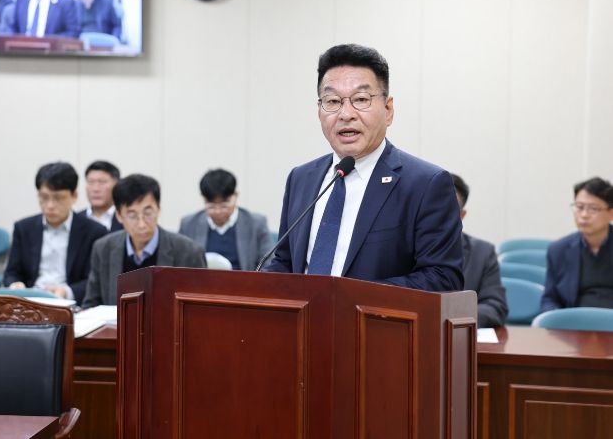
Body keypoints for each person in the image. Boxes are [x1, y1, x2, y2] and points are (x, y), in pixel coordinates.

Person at [265, 44, 463, 291]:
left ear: (388, 110)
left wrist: (351, 299)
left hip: (374, 316)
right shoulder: (301, 178)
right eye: (333, 101)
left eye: (360, 99)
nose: (346, 114)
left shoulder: (426, 184)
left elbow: (442, 278)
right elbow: (284, 262)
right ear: (319, 111)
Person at [83, 174, 206, 307]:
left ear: (158, 210)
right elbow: (91, 304)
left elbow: (199, 309)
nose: (141, 224)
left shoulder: (188, 252)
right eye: (132, 215)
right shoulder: (103, 249)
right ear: (119, 216)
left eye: (148, 213)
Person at [3, 162, 107, 304]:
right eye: (44, 197)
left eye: (58, 198)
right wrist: (15, 284)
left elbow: (95, 280)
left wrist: (66, 291)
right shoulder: (24, 228)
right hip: (30, 301)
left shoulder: (94, 232)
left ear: (74, 196)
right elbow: (11, 273)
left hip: (71, 303)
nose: (50, 205)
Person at [541, 177, 613, 311]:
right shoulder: (558, 250)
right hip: (575, 321)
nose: (584, 215)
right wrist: (558, 318)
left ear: (611, 213)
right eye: (579, 207)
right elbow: (549, 299)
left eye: (593, 209)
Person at [179, 169, 273, 270]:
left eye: (224, 205)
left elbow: (268, 265)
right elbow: (179, 263)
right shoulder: (189, 224)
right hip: (201, 280)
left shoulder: (256, 224)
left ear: (236, 195)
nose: (218, 211)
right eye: (211, 205)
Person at [452, 173, 508, 327]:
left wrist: (452, 318)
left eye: (449, 208)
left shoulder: (482, 253)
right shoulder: (403, 247)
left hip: (461, 332)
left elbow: (495, 306)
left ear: (462, 215)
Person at [78, 160, 123, 231]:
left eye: (102, 182)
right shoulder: (77, 219)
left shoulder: (124, 218)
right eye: (91, 182)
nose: (96, 189)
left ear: (116, 185)